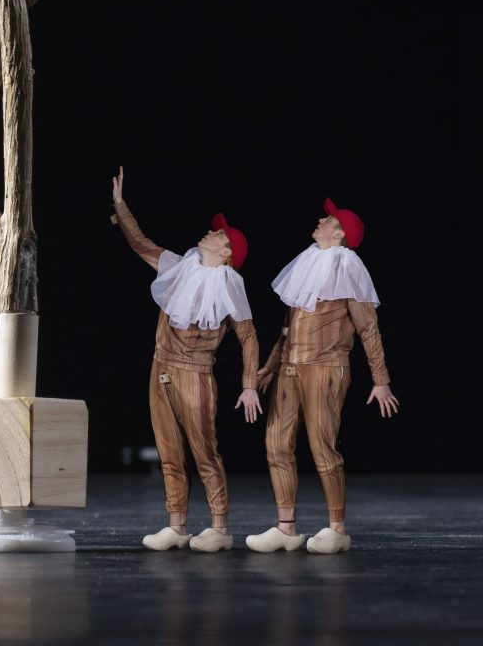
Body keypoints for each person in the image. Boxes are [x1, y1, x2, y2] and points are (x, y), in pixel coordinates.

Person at [111, 166, 261, 553]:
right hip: (160, 366)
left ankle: (219, 527)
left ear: (226, 252)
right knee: (168, 451)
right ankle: (176, 525)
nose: (211, 231)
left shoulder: (230, 284)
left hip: (195, 374)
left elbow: (248, 337)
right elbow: (141, 244)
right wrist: (120, 206)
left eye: (219, 234)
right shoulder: (181, 267)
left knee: (204, 451)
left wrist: (248, 386)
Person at [246, 196, 399, 555]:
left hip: (326, 366)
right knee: (276, 444)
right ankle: (286, 527)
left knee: (322, 445)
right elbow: (288, 328)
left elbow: (369, 328)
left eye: (328, 218)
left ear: (340, 233)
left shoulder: (348, 267)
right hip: (290, 367)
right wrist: (270, 366)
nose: (321, 219)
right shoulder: (308, 263)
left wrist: (381, 379)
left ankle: (337, 529)